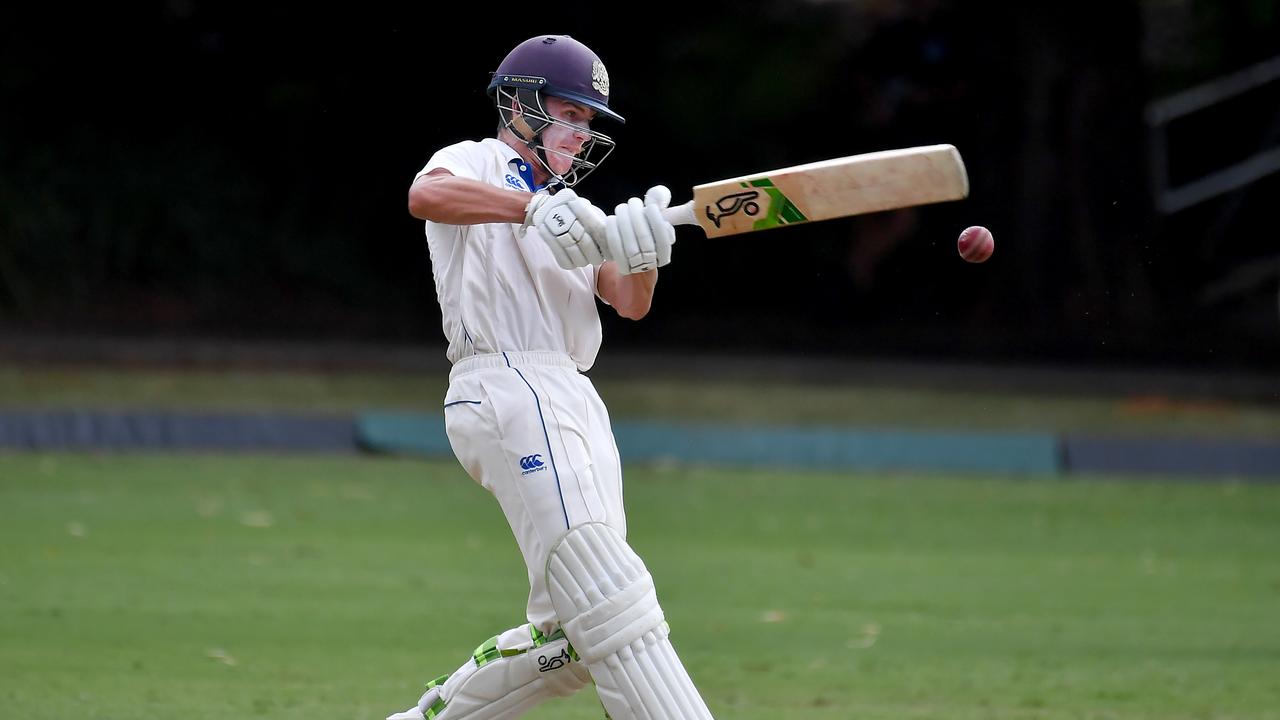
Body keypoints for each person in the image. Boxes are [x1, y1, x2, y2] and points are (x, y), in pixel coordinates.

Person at [387, 35, 714, 720]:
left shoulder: (572, 209)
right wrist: (531, 206)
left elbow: (628, 301)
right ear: (521, 102)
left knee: (574, 639)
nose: (580, 131)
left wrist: (643, 247)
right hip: (505, 378)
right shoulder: (478, 162)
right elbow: (426, 195)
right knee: (609, 597)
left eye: (589, 121)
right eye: (569, 113)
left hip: (572, 392)